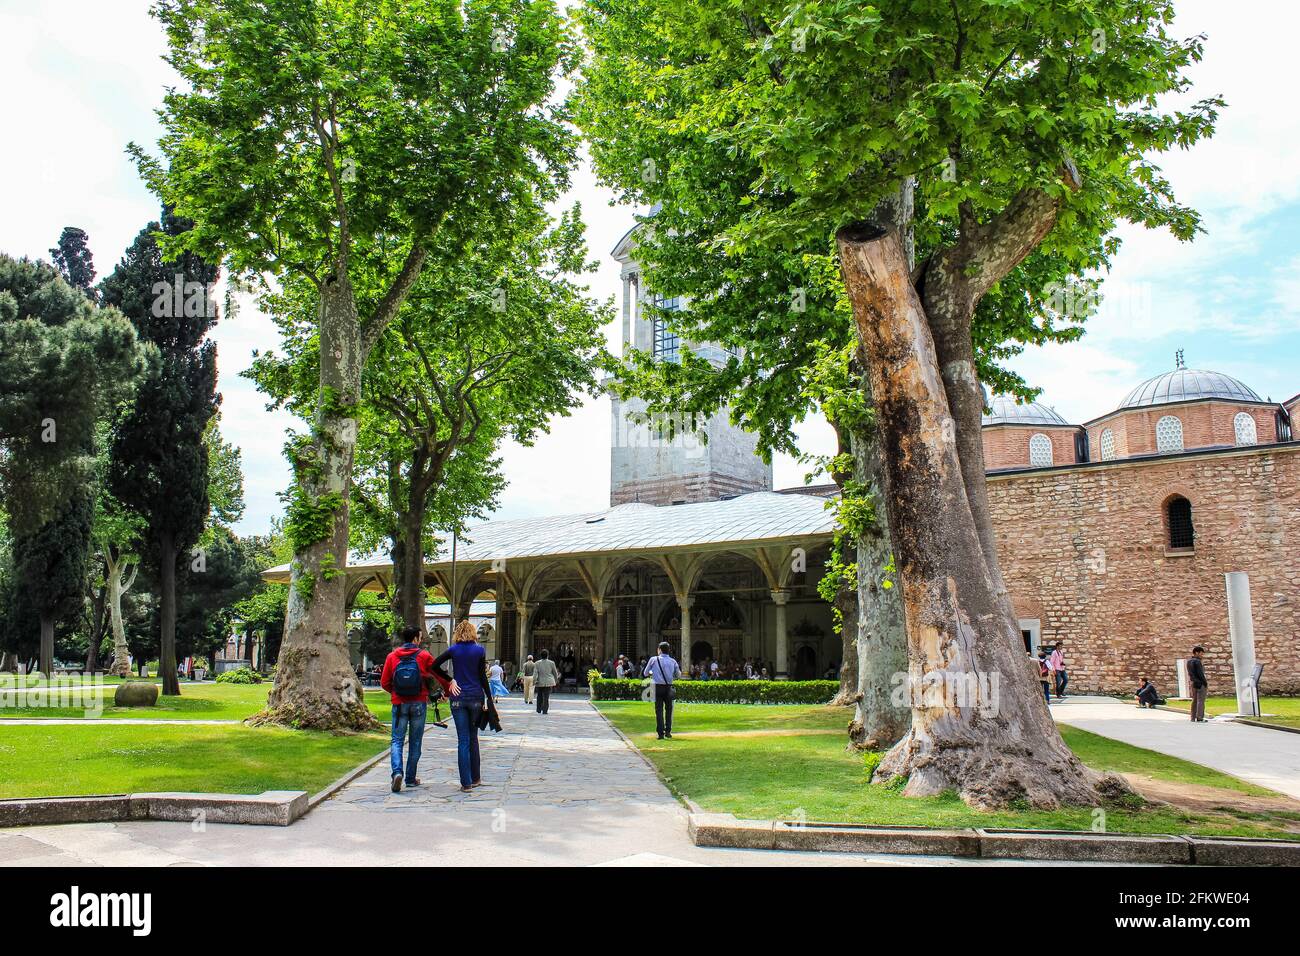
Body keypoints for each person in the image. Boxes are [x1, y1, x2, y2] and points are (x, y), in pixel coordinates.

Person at [379, 625, 446, 793]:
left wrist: (396, 693)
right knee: (415, 741)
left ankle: (397, 772)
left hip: (399, 703)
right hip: (418, 702)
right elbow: (437, 673)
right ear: (416, 638)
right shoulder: (423, 656)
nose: (421, 639)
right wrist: (447, 688)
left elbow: (385, 682)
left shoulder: (392, 656)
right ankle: (410, 778)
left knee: (397, 740)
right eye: (420, 637)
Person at [432, 620, 492, 792]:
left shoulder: (454, 650)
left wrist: (450, 680)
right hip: (475, 697)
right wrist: (488, 697)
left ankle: (465, 783)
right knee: (473, 738)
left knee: (463, 740)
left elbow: (434, 665)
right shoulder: (479, 650)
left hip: (458, 697)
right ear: (473, 632)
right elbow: (482, 677)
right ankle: (476, 778)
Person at [645, 641, 682, 739]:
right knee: (669, 710)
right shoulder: (673, 661)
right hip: (668, 687)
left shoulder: (653, 659)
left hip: (656, 687)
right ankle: (668, 732)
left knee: (659, 710)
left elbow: (645, 673)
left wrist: (652, 672)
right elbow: (679, 675)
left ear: (659, 650)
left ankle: (660, 733)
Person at [532, 648, 560, 714]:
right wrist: (556, 680)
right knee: (546, 697)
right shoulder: (551, 663)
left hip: (540, 682)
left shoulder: (537, 663)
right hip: (549, 682)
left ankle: (538, 709)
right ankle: (545, 710)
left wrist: (534, 681)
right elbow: (555, 673)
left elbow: (535, 673)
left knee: (539, 696)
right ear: (547, 655)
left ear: (541, 656)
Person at [1187, 645, 1209, 722]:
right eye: (1201, 653)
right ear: (1196, 653)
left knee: (1194, 700)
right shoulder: (1197, 661)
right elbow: (1200, 674)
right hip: (1200, 683)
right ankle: (1200, 717)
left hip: (1193, 682)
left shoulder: (1189, 661)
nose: (1202, 655)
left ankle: (1192, 717)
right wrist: (1205, 683)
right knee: (1201, 701)